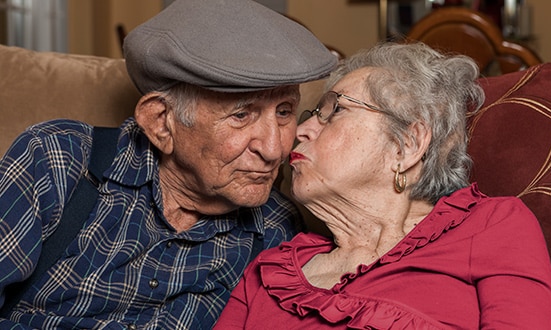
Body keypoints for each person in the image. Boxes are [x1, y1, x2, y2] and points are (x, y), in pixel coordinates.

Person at [0, 0, 337, 328]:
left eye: (284, 112)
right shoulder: (58, 160)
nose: (275, 149)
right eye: (241, 114)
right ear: (161, 122)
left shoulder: (277, 228)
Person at [214, 42, 551, 329]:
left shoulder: (491, 225)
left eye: (333, 111)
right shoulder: (271, 272)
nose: (300, 133)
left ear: (407, 145)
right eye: (310, 115)